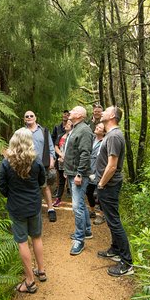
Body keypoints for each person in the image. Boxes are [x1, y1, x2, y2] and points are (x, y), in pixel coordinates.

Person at [0, 128, 47, 293]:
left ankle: (30, 281)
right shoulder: (36, 161)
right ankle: (41, 270)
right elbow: (42, 182)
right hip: (34, 206)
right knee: (37, 237)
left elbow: (2, 188)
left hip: (16, 208)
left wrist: (12, 195)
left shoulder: (6, 163)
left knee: (22, 242)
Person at [95, 106, 134, 276]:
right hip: (107, 185)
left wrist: (101, 184)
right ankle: (115, 249)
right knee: (112, 220)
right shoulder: (111, 135)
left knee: (114, 221)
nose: (101, 112)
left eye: (106, 110)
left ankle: (127, 263)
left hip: (109, 186)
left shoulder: (114, 136)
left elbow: (112, 166)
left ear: (112, 116)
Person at [63, 105, 94, 256]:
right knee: (80, 204)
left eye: (74, 110)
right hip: (71, 172)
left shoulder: (85, 130)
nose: (70, 111)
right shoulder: (75, 128)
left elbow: (85, 154)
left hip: (78, 174)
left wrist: (80, 174)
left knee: (77, 207)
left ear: (80, 115)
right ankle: (87, 230)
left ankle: (79, 239)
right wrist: (67, 171)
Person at [24, 111, 58, 223]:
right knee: (29, 188)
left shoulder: (44, 131)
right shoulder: (22, 132)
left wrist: (52, 161)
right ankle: (32, 211)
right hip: (27, 165)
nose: (29, 117)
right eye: (26, 116)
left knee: (45, 186)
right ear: (24, 119)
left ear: (35, 117)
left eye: (31, 116)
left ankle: (50, 209)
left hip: (43, 164)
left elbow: (51, 147)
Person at [86, 122, 106, 225]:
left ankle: (101, 215)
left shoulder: (105, 141)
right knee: (89, 192)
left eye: (100, 127)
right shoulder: (92, 139)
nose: (97, 128)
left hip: (100, 172)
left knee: (100, 194)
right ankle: (92, 210)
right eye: (97, 126)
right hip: (89, 170)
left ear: (104, 131)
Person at [52, 119, 72, 207]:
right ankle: (58, 199)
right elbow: (56, 146)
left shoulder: (73, 136)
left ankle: (75, 199)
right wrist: (60, 154)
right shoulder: (60, 135)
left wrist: (66, 157)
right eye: (66, 124)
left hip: (70, 162)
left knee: (71, 180)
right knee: (61, 180)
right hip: (60, 161)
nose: (66, 125)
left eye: (68, 124)